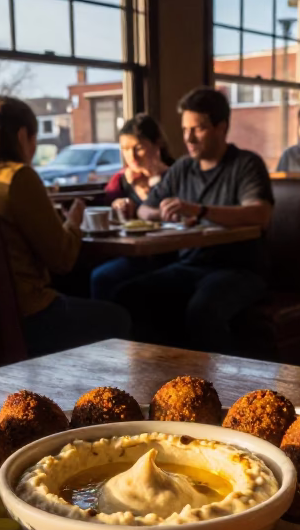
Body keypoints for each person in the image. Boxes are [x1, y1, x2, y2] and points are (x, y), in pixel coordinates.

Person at [0, 95, 130, 357]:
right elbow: (62, 259)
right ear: (23, 135)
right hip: (27, 314)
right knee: (118, 317)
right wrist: (74, 220)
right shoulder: (18, 177)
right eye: (35, 139)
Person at [112, 87, 272, 354]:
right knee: (128, 296)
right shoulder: (183, 167)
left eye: (197, 129)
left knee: (203, 309)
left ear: (221, 128)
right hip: (190, 265)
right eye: (185, 129)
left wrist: (199, 210)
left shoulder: (246, 164)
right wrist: (164, 211)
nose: (188, 137)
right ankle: (161, 380)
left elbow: (260, 214)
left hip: (240, 268)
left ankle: (216, 389)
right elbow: (144, 211)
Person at [91, 114, 175, 301]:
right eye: (125, 149)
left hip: (170, 253)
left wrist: (155, 177)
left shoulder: (176, 173)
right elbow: (108, 212)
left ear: (157, 144)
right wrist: (117, 205)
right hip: (134, 254)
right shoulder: (120, 180)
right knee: (98, 275)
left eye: (138, 148)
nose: (132, 156)